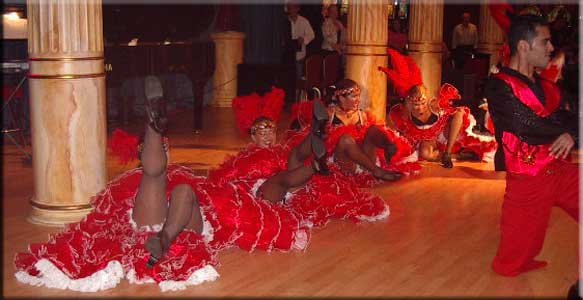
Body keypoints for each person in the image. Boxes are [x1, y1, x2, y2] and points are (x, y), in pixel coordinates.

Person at [483, 14, 579, 277]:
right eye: (545, 42)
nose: (551, 48)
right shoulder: (499, 86)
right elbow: (527, 126)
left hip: (559, 169)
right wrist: (569, 129)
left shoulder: (546, 85)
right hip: (528, 180)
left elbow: (571, 115)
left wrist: (572, 132)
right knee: (508, 265)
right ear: (524, 47)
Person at [288, 79, 420, 186]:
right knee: (345, 139)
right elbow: (316, 137)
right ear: (341, 98)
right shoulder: (329, 114)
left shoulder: (362, 115)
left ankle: (387, 145)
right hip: (344, 162)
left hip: (365, 161)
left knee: (373, 129)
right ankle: (377, 171)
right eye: (354, 96)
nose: (358, 100)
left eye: (358, 96)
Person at [380, 49, 497, 168]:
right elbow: (390, 128)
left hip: (443, 135)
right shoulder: (404, 112)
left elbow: (457, 108)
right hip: (426, 141)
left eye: (423, 102)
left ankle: (448, 153)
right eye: (416, 104)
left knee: (459, 113)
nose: (420, 106)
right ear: (409, 102)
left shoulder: (434, 105)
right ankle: (457, 156)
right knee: (424, 153)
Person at [283, 0, 315, 81]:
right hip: (287, 56)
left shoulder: (304, 21)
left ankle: (297, 93)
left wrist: (303, 39)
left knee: (298, 79)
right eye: (289, 8)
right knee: (287, 78)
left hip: (299, 56)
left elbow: (312, 35)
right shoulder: (284, 21)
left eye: (293, 7)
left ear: (298, 9)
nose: (291, 10)